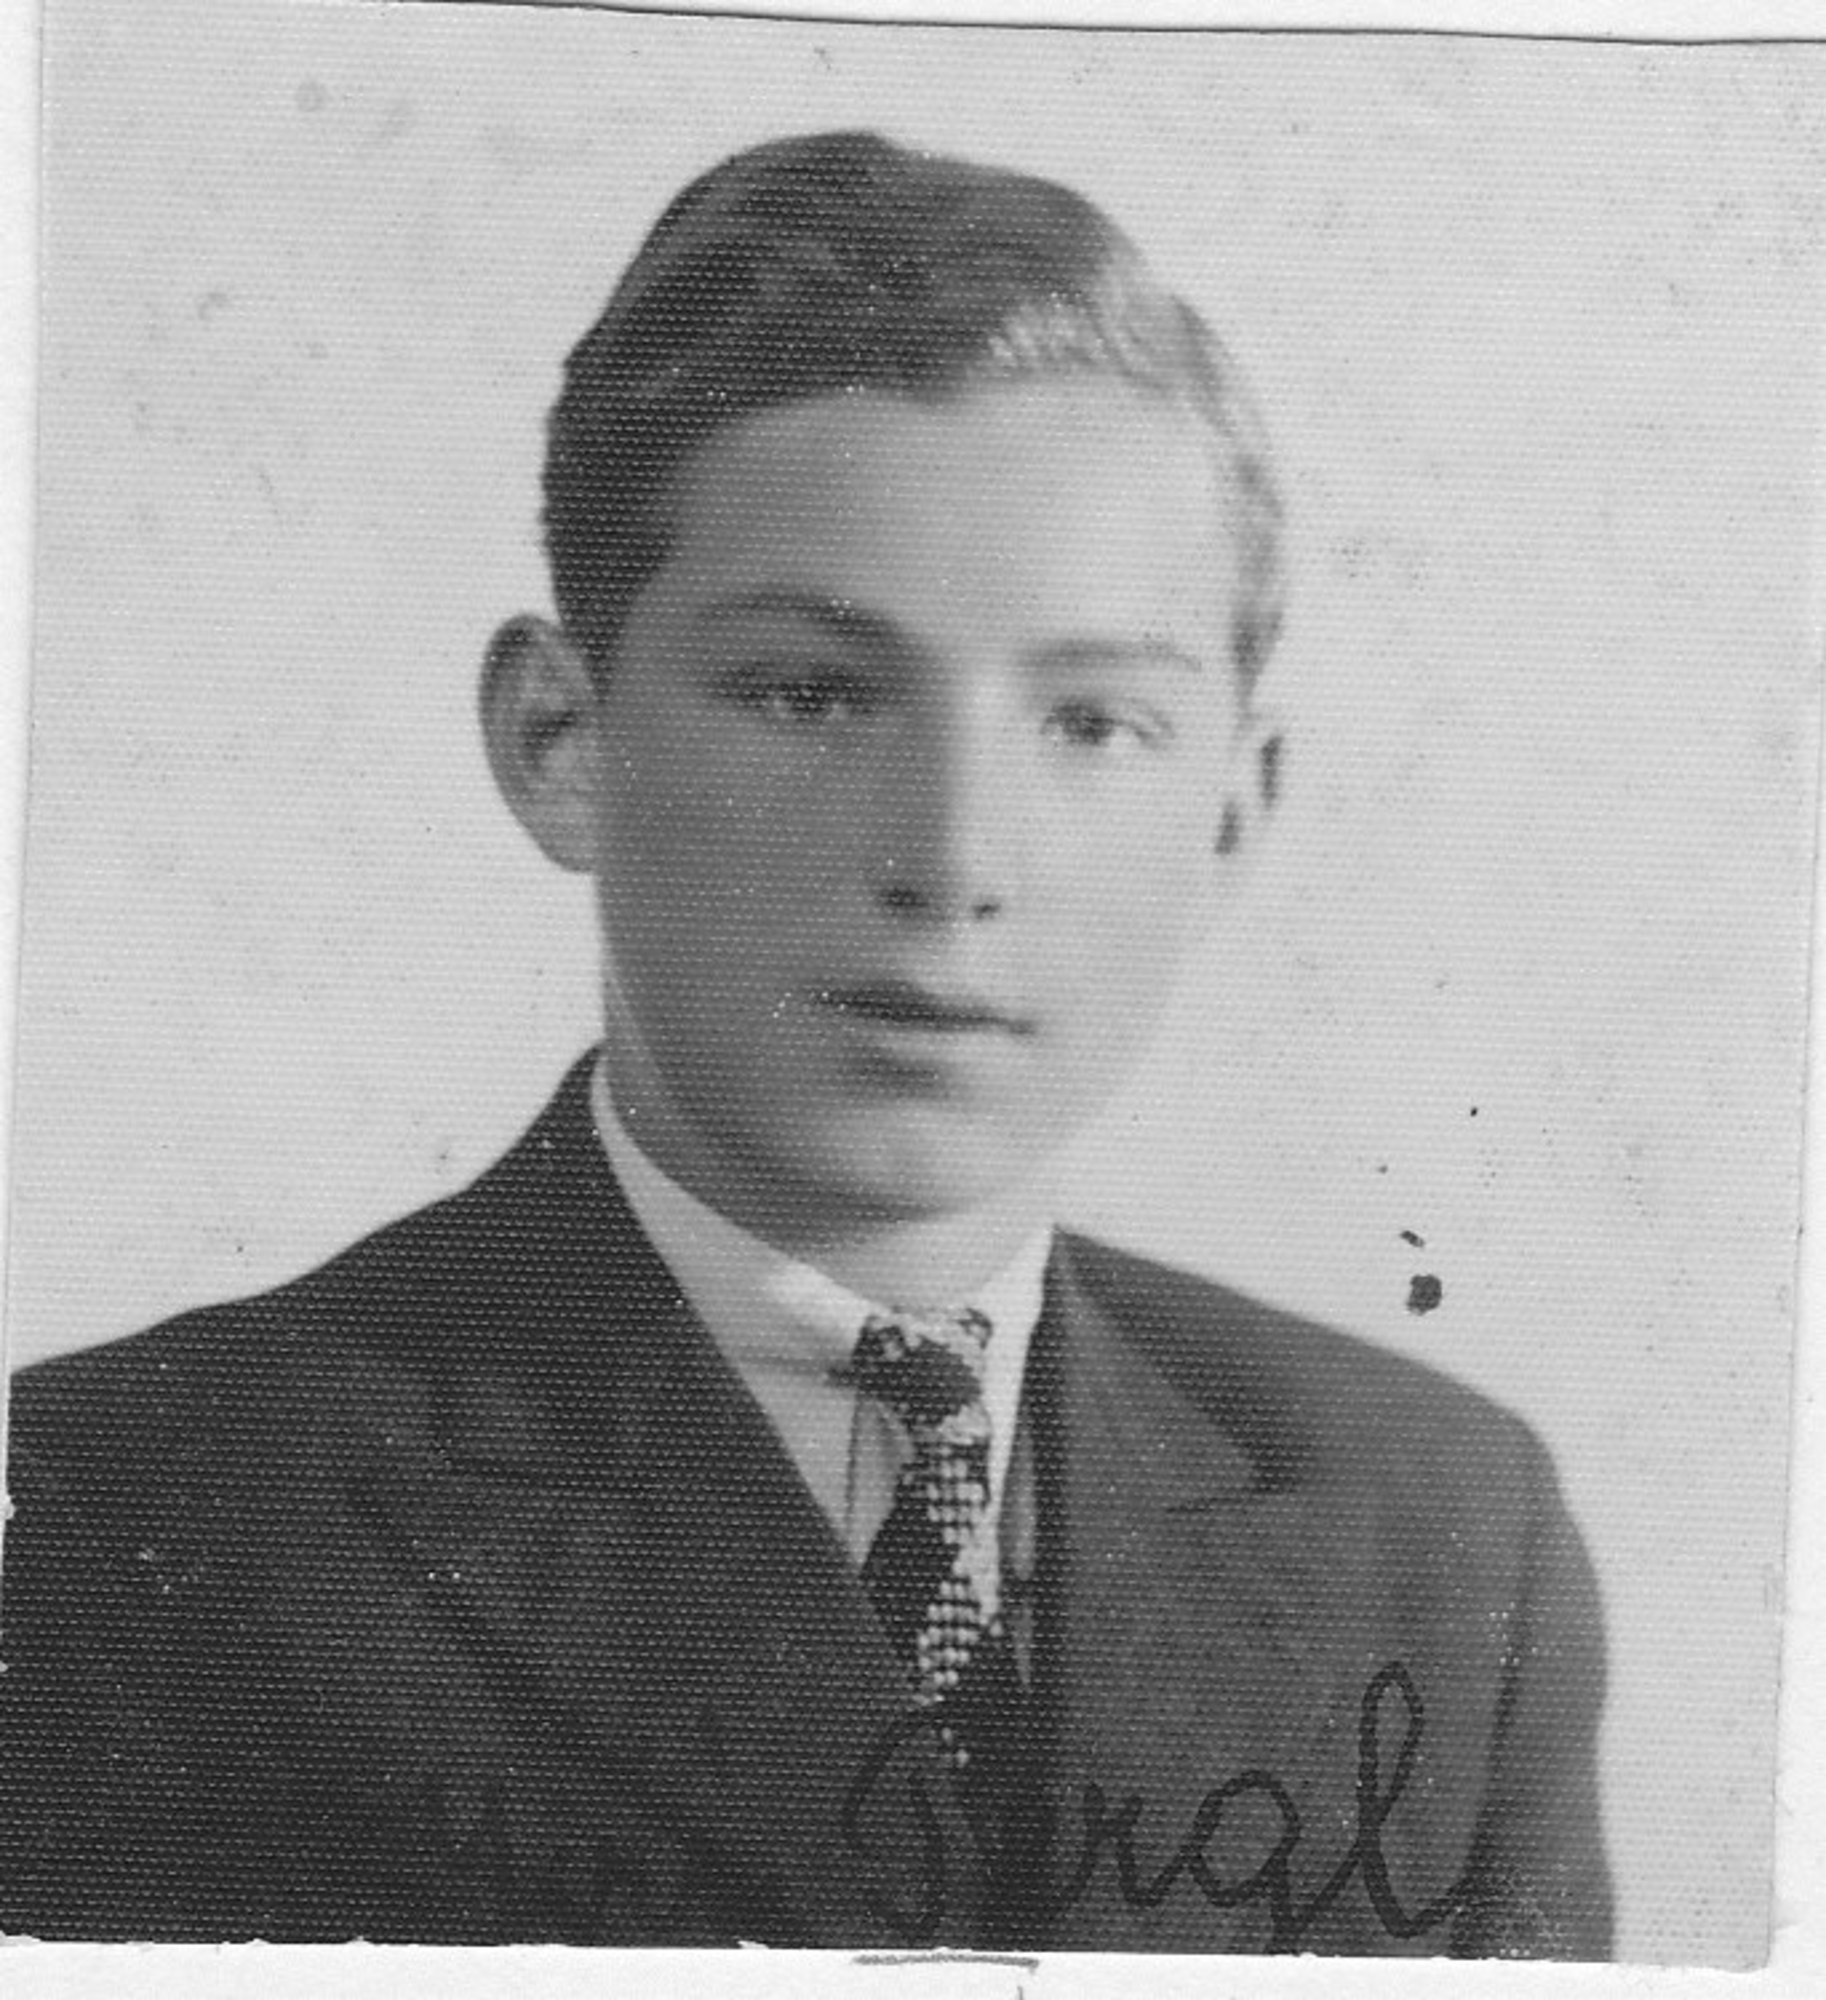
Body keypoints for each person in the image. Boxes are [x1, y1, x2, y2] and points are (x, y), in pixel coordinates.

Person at [0, 131, 1612, 1954]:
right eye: (815, 694)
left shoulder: (1440, 1527)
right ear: (559, 741)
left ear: (1232, 813)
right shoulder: (128, 1514)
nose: (955, 859)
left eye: (1094, 723)